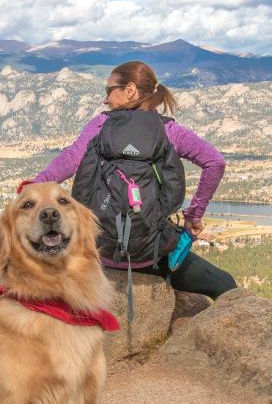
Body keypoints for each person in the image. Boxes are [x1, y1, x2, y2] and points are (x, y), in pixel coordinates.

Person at [28, 60, 237, 299]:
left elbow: (71, 158)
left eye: (109, 91)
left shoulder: (101, 125)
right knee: (225, 285)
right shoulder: (168, 131)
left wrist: (35, 185)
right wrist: (194, 215)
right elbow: (215, 162)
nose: (105, 100)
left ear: (130, 90)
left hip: (99, 252)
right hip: (153, 254)